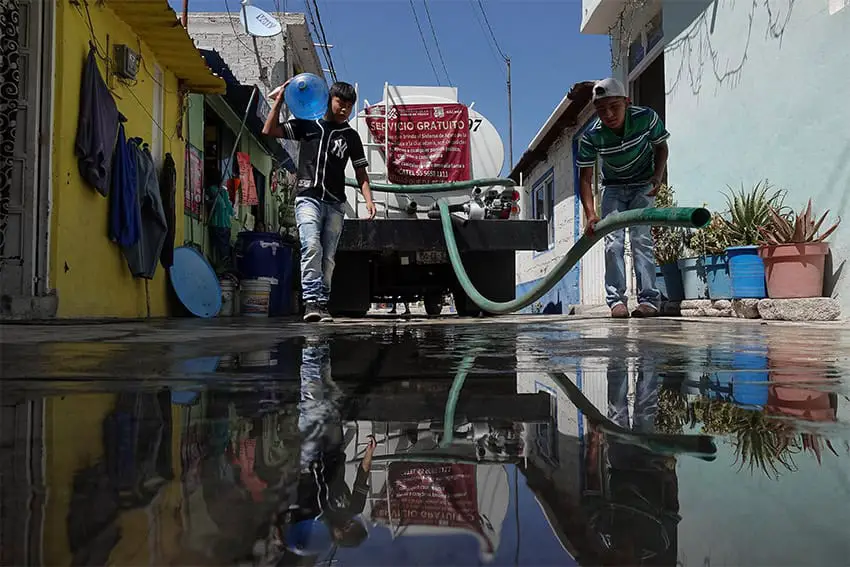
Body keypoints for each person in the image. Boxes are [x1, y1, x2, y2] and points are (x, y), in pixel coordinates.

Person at [263, 80, 377, 323]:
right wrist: (279, 101)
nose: (344, 108)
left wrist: (369, 200)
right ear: (329, 99)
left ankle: (322, 303)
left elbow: (360, 173)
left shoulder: (351, 136)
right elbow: (270, 131)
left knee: (328, 256)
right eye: (340, 102)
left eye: (349, 105)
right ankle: (312, 301)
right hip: (308, 198)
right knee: (311, 245)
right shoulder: (308, 126)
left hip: (335, 203)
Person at [576, 78, 670, 318]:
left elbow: (661, 147)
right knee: (613, 243)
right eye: (601, 109)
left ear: (626, 102)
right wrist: (591, 215)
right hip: (614, 188)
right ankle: (616, 301)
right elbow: (585, 179)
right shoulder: (591, 136)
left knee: (641, 239)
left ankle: (649, 300)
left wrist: (657, 177)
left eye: (614, 107)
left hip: (642, 185)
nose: (608, 114)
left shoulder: (645, 117)